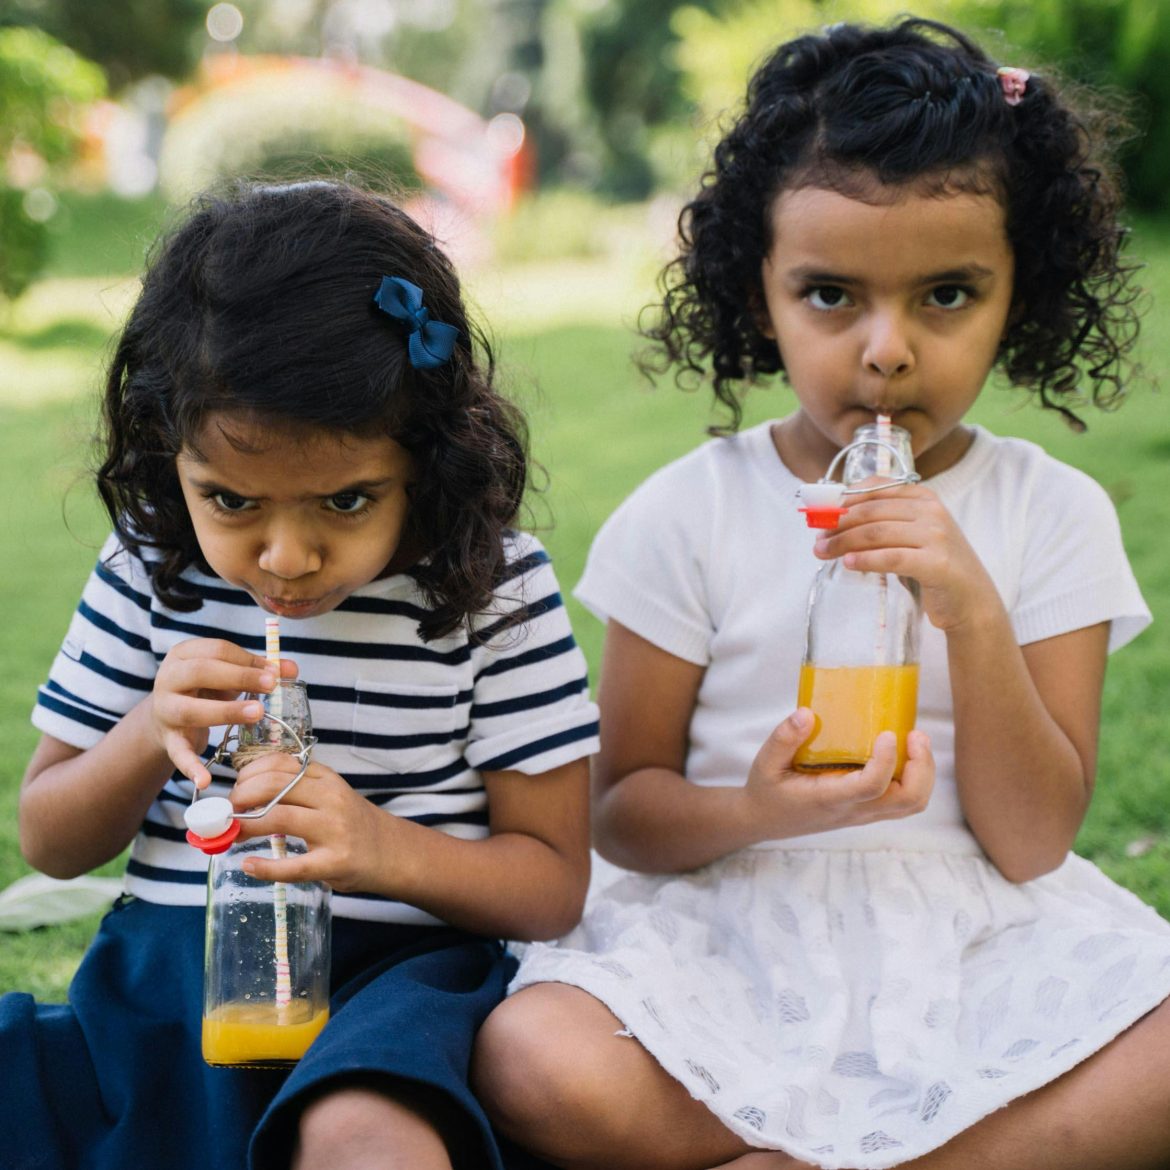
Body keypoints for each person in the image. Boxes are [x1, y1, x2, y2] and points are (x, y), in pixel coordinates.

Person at [471, 17, 1170, 1170]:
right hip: (732, 921)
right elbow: (620, 811)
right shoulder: (687, 512)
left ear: (1018, 296)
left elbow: (1037, 838)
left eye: (948, 296)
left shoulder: (1053, 514)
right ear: (759, 296)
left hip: (974, 933)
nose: (887, 350)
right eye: (831, 295)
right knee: (535, 1059)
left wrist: (972, 610)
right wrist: (758, 810)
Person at [5, 179, 599, 1170]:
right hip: (168, 982)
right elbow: (50, 837)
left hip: (395, 994)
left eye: (347, 499)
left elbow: (551, 888)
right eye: (231, 498)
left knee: (361, 1140)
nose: (285, 556)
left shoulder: (494, 591)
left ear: (430, 457)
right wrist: (148, 734)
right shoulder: (149, 571)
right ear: (171, 455)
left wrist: (377, 848)